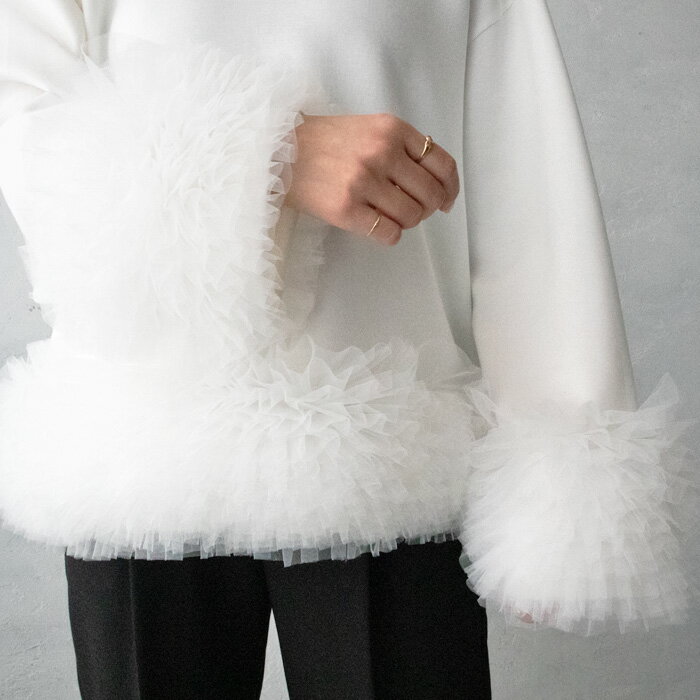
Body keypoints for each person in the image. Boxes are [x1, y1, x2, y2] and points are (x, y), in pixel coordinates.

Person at [0, 1, 696, 698]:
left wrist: (560, 448)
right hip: (139, 454)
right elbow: (22, 119)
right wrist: (271, 153)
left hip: (386, 453)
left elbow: (528, 185)